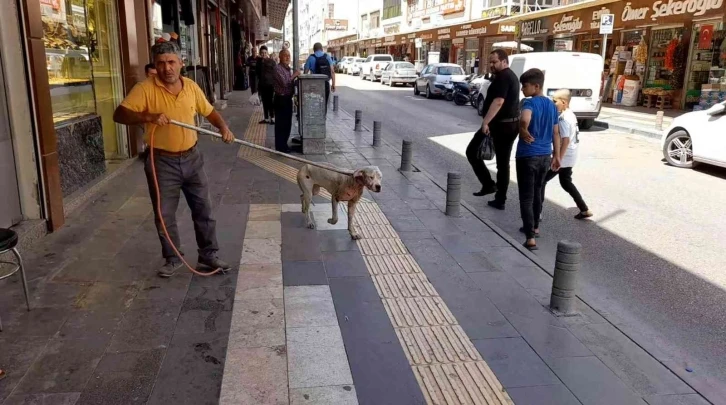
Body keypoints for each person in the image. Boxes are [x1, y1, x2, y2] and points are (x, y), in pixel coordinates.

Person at [113, 41, 234, 277]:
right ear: (154, 66)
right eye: (161, 63)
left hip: (192, 157)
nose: (167, 68)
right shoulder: (145, 88)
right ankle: (172, 258)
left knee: (203, 209)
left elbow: (209, 111)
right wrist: (147, 115)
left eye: (171, 62)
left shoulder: (191, 86)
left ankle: (208, 255)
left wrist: (223, 127)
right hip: (162, 162)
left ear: (181, 63)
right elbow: (119, 114)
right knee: (164, 213)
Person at [466, 49, 520, 210]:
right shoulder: (508, 76)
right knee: (503, 164)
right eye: (490, 62)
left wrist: (486, 123)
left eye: (494, 62)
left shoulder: (504, 77)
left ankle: (491, 188)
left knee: (472, 152)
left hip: (501, 126)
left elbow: (498, 101)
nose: (491, 65)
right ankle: (497, 194)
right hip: (508, 125)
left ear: (504, 61)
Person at [516, 68, 561, 251]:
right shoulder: (552, 105)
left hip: (528, 155)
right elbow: (556, 132)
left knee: (526, 198)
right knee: (537, 193)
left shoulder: (529, 103)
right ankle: (535, 226)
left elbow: (524, 120)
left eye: (525, 86)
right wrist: (557, 156)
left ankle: (530, 238)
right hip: (545, 156)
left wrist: (523, 129)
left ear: (536, 86)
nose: (522, 89)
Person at [541, 90, 592, 220]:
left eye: (555, 101)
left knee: (541, 181)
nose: (553, 104)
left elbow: (565, 140)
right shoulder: (571, 115)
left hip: (564, 157)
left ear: (563, 102)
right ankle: (584, 209)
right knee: (566, 182)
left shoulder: (563, 118)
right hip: (571, 155)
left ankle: (537, 213)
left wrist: (558, 158)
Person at [273, 49, 300, 152]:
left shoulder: (288, 69)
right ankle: (280, 146)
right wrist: (295, 75)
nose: (287, 57)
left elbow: (290, 84)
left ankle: (284, 144)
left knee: (287, 123)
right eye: (285, 55)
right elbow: (285, 83)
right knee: (281, 124)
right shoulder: (277, 69)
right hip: (281, 99)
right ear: (280, 57)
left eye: (289, 55)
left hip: (288, 98)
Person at [303, 42, 336, 114]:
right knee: (324, 104)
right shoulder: (327, 56)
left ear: (314, 50)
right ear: (322, 49)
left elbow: (305, 73)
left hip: (314, 85)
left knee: (315, 104)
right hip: (325, 84)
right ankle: (323, 120)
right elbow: (332, 71)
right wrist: (333, 84)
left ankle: (316, 120)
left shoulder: (311, 57)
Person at [256, 46, 276, 124]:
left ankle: (273, 118)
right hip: (262, 85)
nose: (263, 54)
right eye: (262, 53)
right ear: (260, 53)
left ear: (267, 53)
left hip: (270, 85)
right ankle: (266, 118)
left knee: (271, 101)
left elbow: (275, 73)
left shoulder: (272, 62)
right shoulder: (258, 62)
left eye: (265, 53)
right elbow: (257, 75)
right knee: (264, 102)